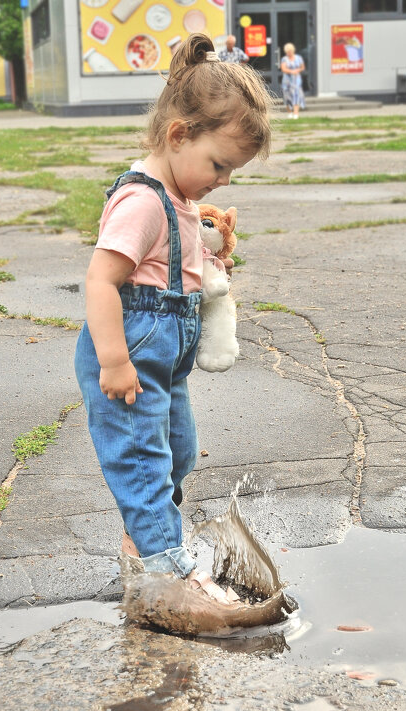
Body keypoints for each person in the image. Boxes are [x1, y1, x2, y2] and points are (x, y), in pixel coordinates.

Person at [74, 33, 271, 606]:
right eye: (218, 164)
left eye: (231, 171)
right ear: (178, 134)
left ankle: (145, 538)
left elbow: (167, 267)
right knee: (142, 460)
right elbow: (102, 281)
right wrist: (113, 359)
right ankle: (167, 569)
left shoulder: (181, 200)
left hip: (165, 364)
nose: (223, 181)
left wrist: (207, 264)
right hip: (129, 362)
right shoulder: (140, 201)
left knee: (178, 452)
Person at [280, 42, 305, 119]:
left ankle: (296, 113)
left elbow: (302, 67)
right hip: (287, 80)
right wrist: (292, 71)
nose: (289, 53)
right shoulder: (284, 59)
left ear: (293, 50)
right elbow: (283, 69)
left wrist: (298, 70)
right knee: (287, 96)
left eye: (290, 51)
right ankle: (290, 112)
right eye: (287, 51)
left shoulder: (298, 58)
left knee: (296, 95)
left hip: (296, 80)